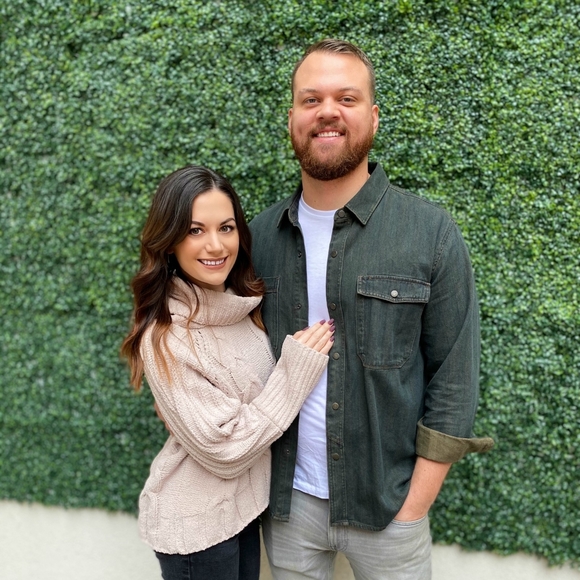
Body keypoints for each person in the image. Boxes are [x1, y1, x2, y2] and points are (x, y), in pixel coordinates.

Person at [249, 39, 494, 580]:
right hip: (286, 506)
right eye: (311, 99)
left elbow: (454, 379)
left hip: (390, 509)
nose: (327, 112)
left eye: (347, 98)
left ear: (374, 117)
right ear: (292, 118)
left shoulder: (429, 233)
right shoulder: (258, 238)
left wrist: (414, 507)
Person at [121, 164, 334, 580]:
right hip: (197, 528)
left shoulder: (242, 307)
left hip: (241, 511)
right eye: (195, 230)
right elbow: (226, 450)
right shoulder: (168, 335)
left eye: (226, 227)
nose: (216, 245)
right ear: (170, 242)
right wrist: (294, 374)